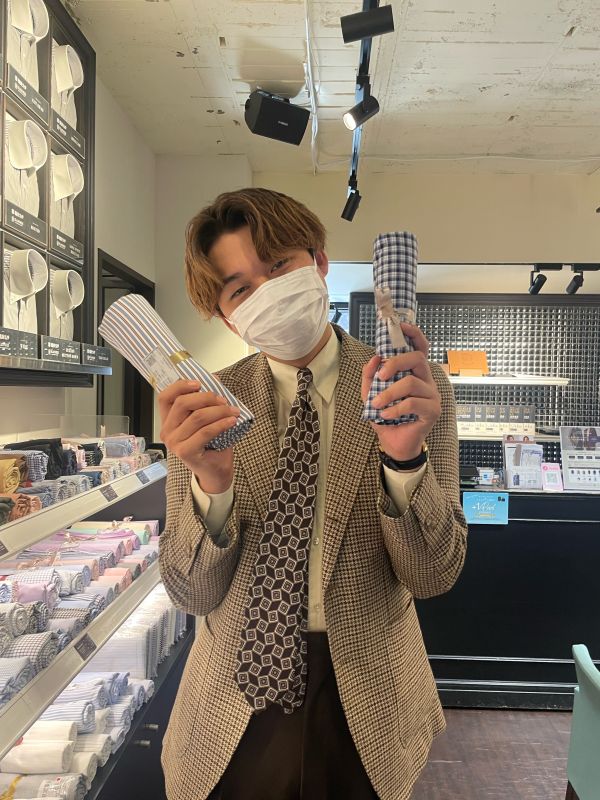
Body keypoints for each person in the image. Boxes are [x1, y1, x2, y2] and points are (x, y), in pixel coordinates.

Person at [157, 188, 468, 800]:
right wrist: (211, 484)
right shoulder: (205, 407)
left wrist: (404, 460)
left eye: (279, 266)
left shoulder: (409, 387)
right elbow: (192, 594)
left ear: (319, 262)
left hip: (372, 700)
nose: (268, 292)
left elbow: (434, 575)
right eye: (240, 289)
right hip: (231, 705)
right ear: (228, 317)